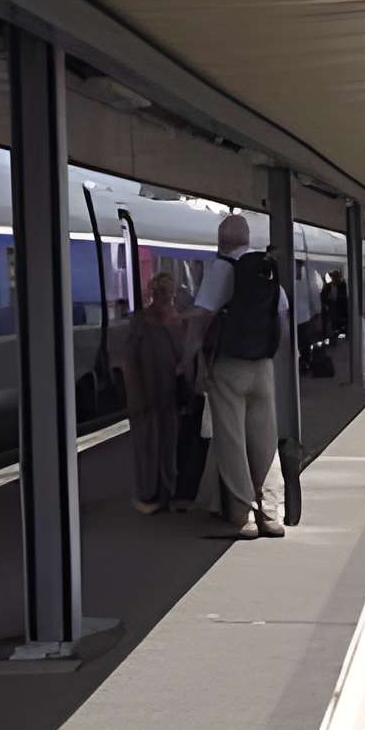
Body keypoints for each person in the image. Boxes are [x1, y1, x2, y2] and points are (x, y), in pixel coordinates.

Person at [187, 213, 288, 539]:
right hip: (262, 366)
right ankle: (272, 514)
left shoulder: (221, 269)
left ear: (220, 241)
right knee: (265, 442)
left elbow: (201, 320)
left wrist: (191, 360)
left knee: (232, 441)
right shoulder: (263, 268)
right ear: (246, 240)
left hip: (229, 367)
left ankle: (244, 516)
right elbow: (282, 316)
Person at [124, 269, 195, 513]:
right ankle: (156, 494)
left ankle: (161, 494)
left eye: (167, 292)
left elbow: (186, 355)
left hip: (164, 393)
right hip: (150, 393)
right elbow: (131, 359)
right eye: (161, 292)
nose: (165, 297)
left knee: (162, 443)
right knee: (155, 443)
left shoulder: (172, 320)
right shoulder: (147, 320)